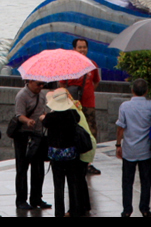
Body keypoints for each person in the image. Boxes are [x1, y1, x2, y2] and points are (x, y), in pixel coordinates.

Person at [116, 77, 151, 217]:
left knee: (127, 181)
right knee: (146, 181)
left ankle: (127, 210)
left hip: (129, 149)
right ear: (146, 91)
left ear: (132, 90)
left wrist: (118, 144)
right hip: (145, 150)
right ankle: (145, 208)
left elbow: (120, 128)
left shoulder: (124, 106)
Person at [43, 88, 89, 217]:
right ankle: (74, 211)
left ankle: (59, 212)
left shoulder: (50, 117)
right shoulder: (72, 114)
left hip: (56, 157)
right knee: (72, 184)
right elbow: (78, 119)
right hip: (71, 155)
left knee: (58, 187)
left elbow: (44, 123)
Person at [62, 38, 103, 175]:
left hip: (88, 104)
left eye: (84, 47)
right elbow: (62, 84)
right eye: (79, 47)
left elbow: (96, 81)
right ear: (74, 49)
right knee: (71, 132)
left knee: (90, 132)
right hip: (72, 106)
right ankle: (72, 160)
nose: (82, 50)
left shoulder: (92, 64)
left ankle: (88, 163)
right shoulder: (68, 64)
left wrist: (88, 92)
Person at [12, 79, 50, 211]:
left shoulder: (41, 95)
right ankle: (21, 200)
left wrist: (45, 116)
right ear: (30, 81)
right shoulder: (22, 95)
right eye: (39, 84)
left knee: (38, 168)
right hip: (23, 136)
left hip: (38, 135)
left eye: (43, 84)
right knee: (22, 168)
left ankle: (36, 198)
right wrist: (27, 121)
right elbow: (19, 115)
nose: (41, 86)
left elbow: (43, 111)